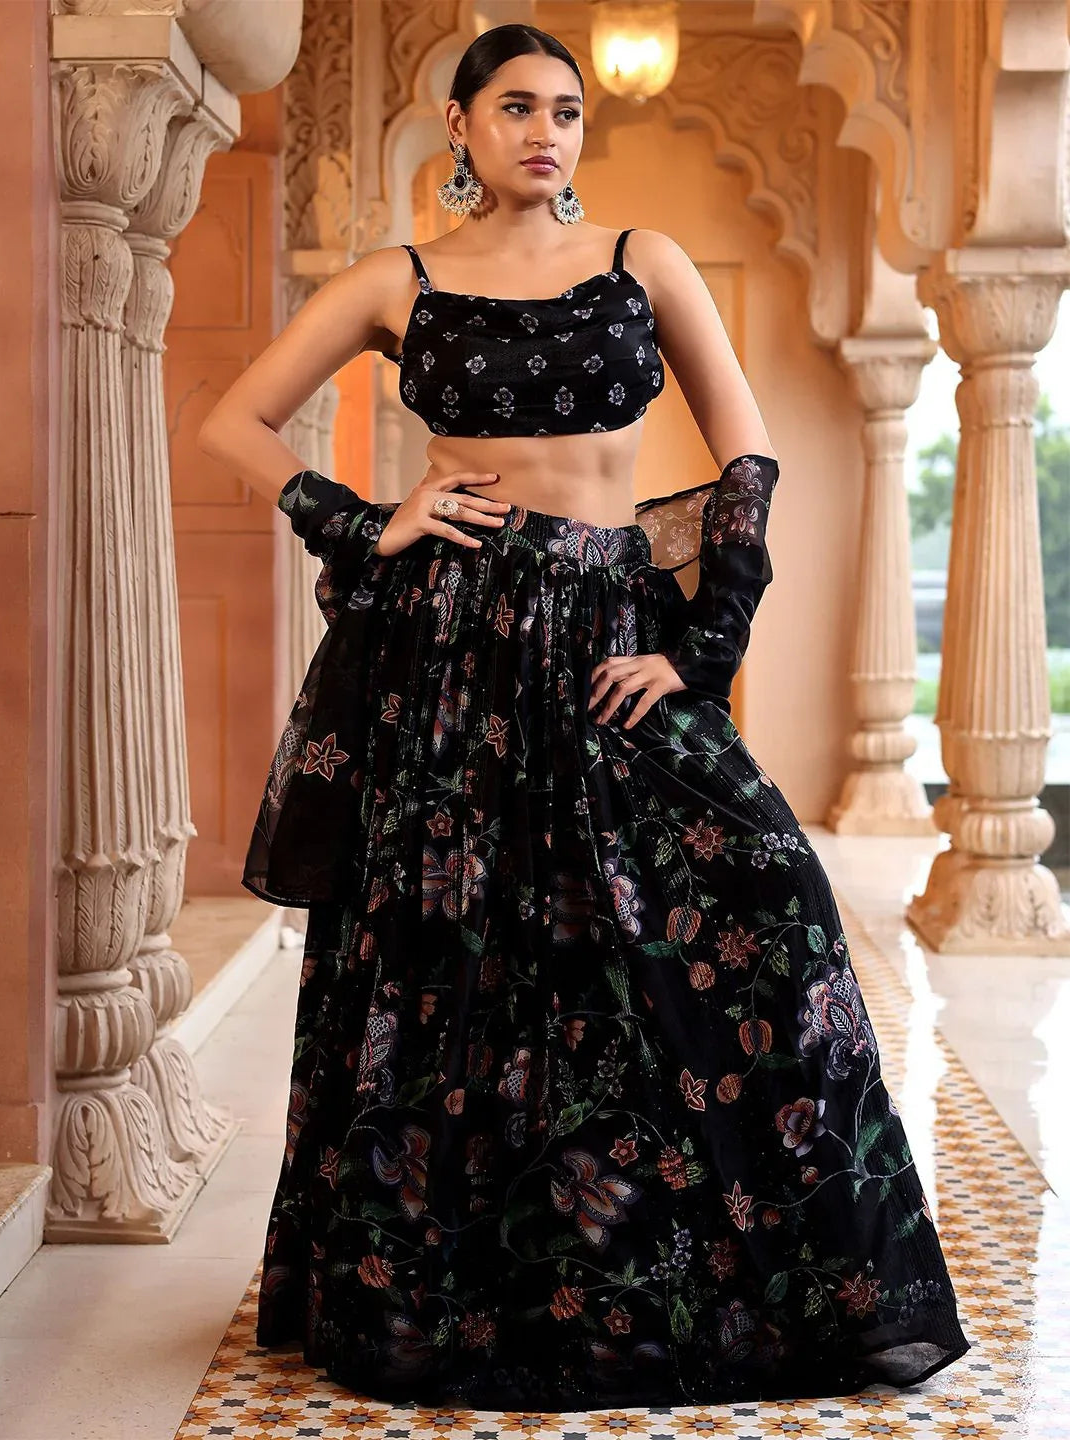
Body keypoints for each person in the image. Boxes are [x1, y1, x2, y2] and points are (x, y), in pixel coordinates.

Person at [197, 20, 970, 1413]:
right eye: (514, 108)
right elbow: (235, 422)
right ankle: (455, 1290)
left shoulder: (641, 265)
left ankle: (714, 1270)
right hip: (452, 658)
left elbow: (746, 452)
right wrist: (376, 521)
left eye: (564, 110)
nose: (546, 130)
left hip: (614, 640)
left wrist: (700, 647)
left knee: (765, 897)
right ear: (460, 125)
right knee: (455, 964)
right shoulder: (402, 279)